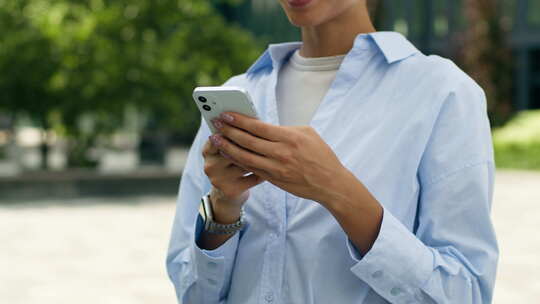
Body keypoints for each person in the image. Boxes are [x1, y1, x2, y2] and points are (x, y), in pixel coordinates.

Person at [166, 0, 499, 303]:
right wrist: (224, 210)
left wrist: (337, 190)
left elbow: (464, 293)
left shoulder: (442, 92)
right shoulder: (237, 94)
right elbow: (192, 294)